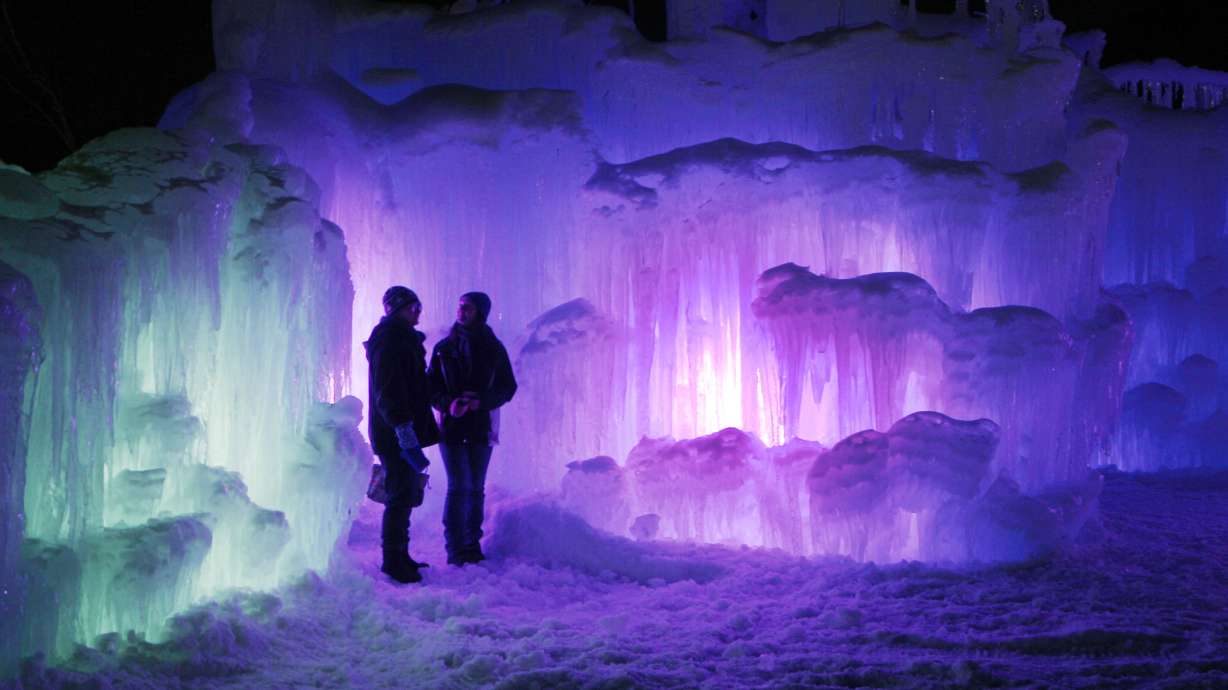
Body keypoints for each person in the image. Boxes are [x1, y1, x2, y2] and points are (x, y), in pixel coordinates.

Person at [427, 291, 517, 566]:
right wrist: (448, 404)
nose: (461, 311)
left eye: (468, 308)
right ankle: (455, 547)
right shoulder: (444, 348)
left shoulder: (494, 349)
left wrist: (481, 402)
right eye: (460, 307)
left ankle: (471, 545)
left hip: (481, 426)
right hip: (451, 427)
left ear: (480, 312)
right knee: (460, 486)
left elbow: (508, 387)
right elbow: (430, 388)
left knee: (476, 487)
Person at [365, 286, 440, 584]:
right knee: (399, 494)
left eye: (419, 306)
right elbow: (388, 390)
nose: (418, 312)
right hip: (395, 432)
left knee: (405, 493)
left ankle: (400, 555)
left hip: (400, 429)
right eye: (412, 307)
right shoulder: (389, 339)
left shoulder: (401, 337)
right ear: (395, 309)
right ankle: (393, 561)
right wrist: (403, 430)